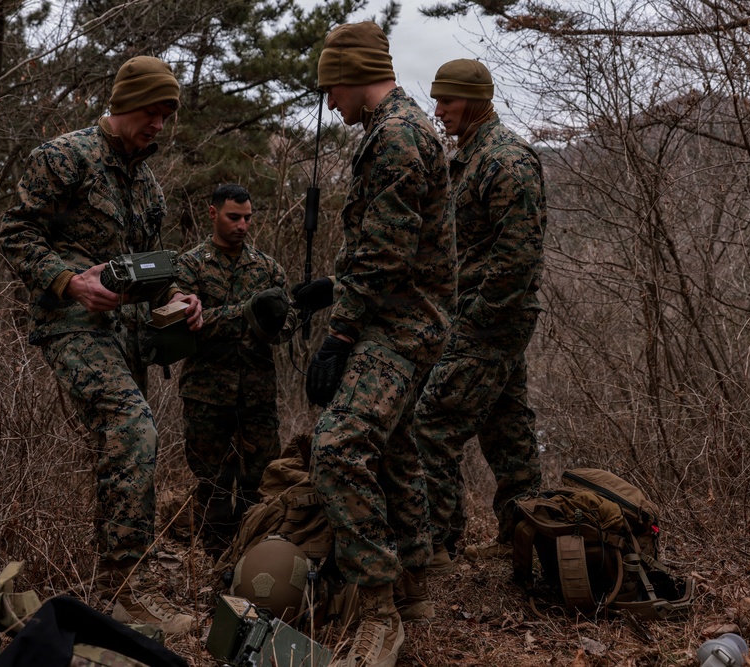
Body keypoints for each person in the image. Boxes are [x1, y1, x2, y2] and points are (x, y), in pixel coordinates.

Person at [0, 55, 203, 635]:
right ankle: (125, 590)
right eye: (152, 112)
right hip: (71, 324)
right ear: (125, 104)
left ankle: (122, 572)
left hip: (127, 336)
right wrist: (70, 281)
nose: (159, 125)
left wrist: (180, 298)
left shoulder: (149, 186)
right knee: (133, 428)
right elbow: (15, 232)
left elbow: (152, 271)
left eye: (167, 116)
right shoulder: (65, 157)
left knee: (127, 442)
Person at [292, 21, 454, 667]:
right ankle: (413, 586)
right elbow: (393, 247)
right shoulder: (400, 128)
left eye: (330, 87)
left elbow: (386, 256)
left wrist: (338, 336)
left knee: (337, 449)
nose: (329, 101)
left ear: (354, 75)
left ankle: (378, 612)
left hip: (398, 327)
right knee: (394, 448)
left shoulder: (395, 137)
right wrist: (334, 288)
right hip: (406, 316)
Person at [414, 59, 546, 572]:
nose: (438, 110)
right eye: (436, 99)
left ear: (473, 100)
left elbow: (518, 260)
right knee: (506, 426)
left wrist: (472, 323)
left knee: (431, 423)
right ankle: (524, 541)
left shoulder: (506, 161)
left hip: (490, 320)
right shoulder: (470, 158)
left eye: (446, 100)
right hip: (480, 317)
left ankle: (438, 546)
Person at [174, 183, 295, 559]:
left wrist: (269, 323)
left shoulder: (268, 268)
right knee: (211, 482)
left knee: (261, 482)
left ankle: (254, 559)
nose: (242, 225)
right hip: (206, 393)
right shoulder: (190, 266)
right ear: (213, 214)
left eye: (247, 218)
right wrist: (247, 314)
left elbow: (287, 323)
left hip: (257, 394)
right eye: (234, 217)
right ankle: (215, 559)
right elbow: (188, 324)